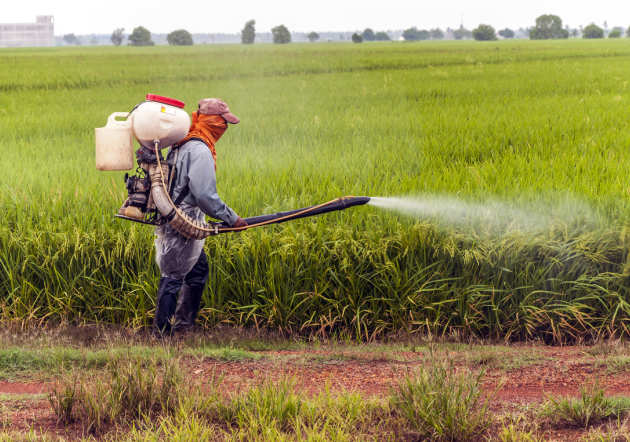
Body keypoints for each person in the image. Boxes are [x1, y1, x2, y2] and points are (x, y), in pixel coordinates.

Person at [153, 98, 247, 334]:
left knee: (197, 269)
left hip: (175, 215)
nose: (224, 128)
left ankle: (184, 327)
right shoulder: (200, 149)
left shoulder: (182, 143)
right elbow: (204, 195)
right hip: (182, 221)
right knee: (173, 275)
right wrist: (232, 218)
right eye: (223, 123)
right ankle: (160, 334)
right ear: (213, 121)